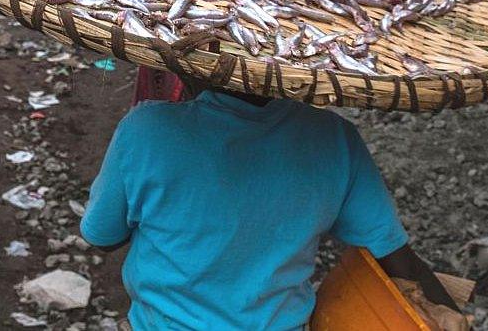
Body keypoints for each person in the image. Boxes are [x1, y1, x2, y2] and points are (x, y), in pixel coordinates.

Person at [81, 77, 459, 329]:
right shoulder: (334, 138)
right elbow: (395, 257)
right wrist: (452, 314)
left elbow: (102, 235)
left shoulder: (148, 129)